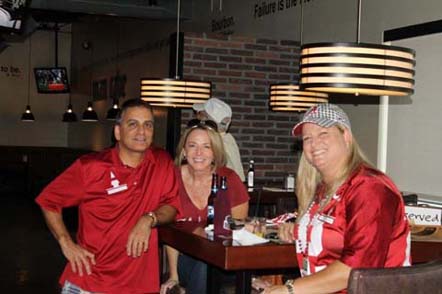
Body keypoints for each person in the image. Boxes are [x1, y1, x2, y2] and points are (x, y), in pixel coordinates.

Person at [255, 104, 410, 294]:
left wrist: (290, 289)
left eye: (323, 134)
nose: (314, 144)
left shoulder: (369, 188)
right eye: (307, 138)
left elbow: (357, 268)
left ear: (346, 136)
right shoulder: (323, 189)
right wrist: (293, 231)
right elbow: (332, 235)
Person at [35, 99, 180, 294]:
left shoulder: (162, 162)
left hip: (139, 286)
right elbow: (48, 201)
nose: (142, 132)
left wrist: (149, 218)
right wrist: (66, 243)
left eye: (148, 125)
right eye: (133, 124)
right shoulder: (91, 167)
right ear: (118, 132)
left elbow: (171, 206)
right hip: (89, 283)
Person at [160, 119, 249, 294]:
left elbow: (239, 232)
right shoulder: (172, 177)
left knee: (208, 260)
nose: (199, 152)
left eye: (207, 146)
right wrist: (173, 276)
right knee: (204, 262)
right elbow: (170, 233)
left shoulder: (229, 179)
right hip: (184, 259)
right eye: (192, 145)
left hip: (224, 262)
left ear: (215, 152)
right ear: (184, 151)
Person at [193, 97, 245, 181]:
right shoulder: (229, 138)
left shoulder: (209, 142)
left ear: (207, 120)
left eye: (200, 115)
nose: (198, 118)